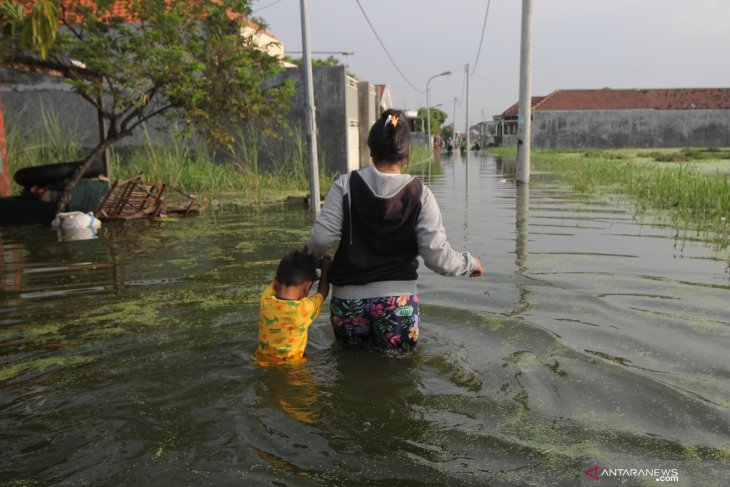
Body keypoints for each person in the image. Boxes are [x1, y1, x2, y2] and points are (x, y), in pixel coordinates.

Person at [307, 109, 483, 352]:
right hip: (398, 303)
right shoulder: (420, 193)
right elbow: (438, 259)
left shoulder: (345, 185)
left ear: (371, 150)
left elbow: (320, 238)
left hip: (348, 303)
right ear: (408, 152)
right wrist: (470, 262)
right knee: (400, 370)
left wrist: (316, 260)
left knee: (348, 367)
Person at [256, 250, 331, 365]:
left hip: (261, 362)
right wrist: (325, 269)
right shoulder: (305, 309)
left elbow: (279, 282)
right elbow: (322, 293)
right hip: (293, 367)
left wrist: (302, 259)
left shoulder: (265, 299)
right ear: (308, 287)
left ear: (276, 281)